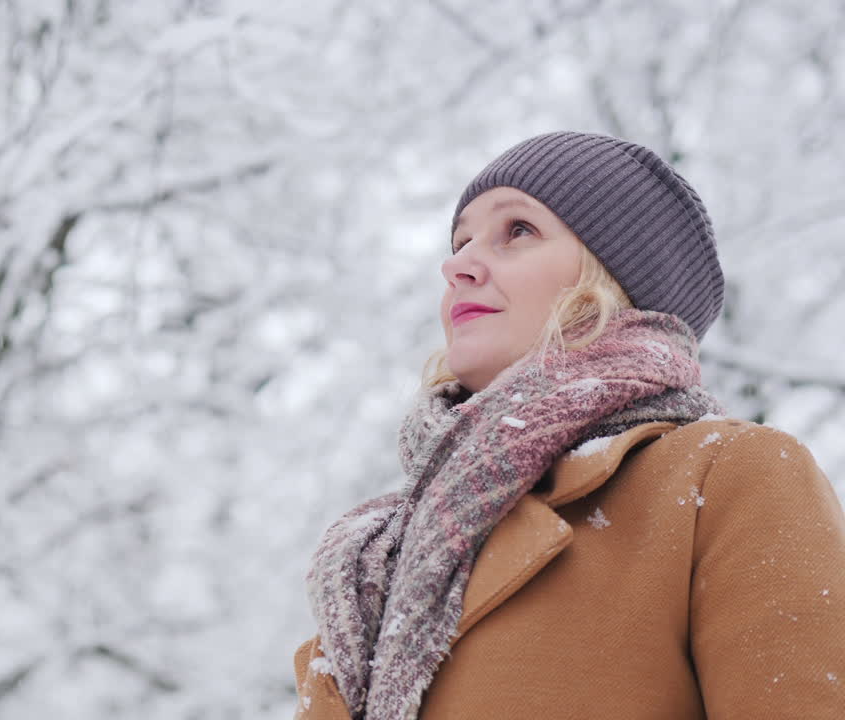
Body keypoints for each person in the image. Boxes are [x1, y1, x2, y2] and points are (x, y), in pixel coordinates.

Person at [291, 131, 845, 720]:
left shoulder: (727, 475)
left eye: (518, 231)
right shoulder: (375, 560)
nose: (457, 264)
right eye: (460, 242)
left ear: (616, 279)